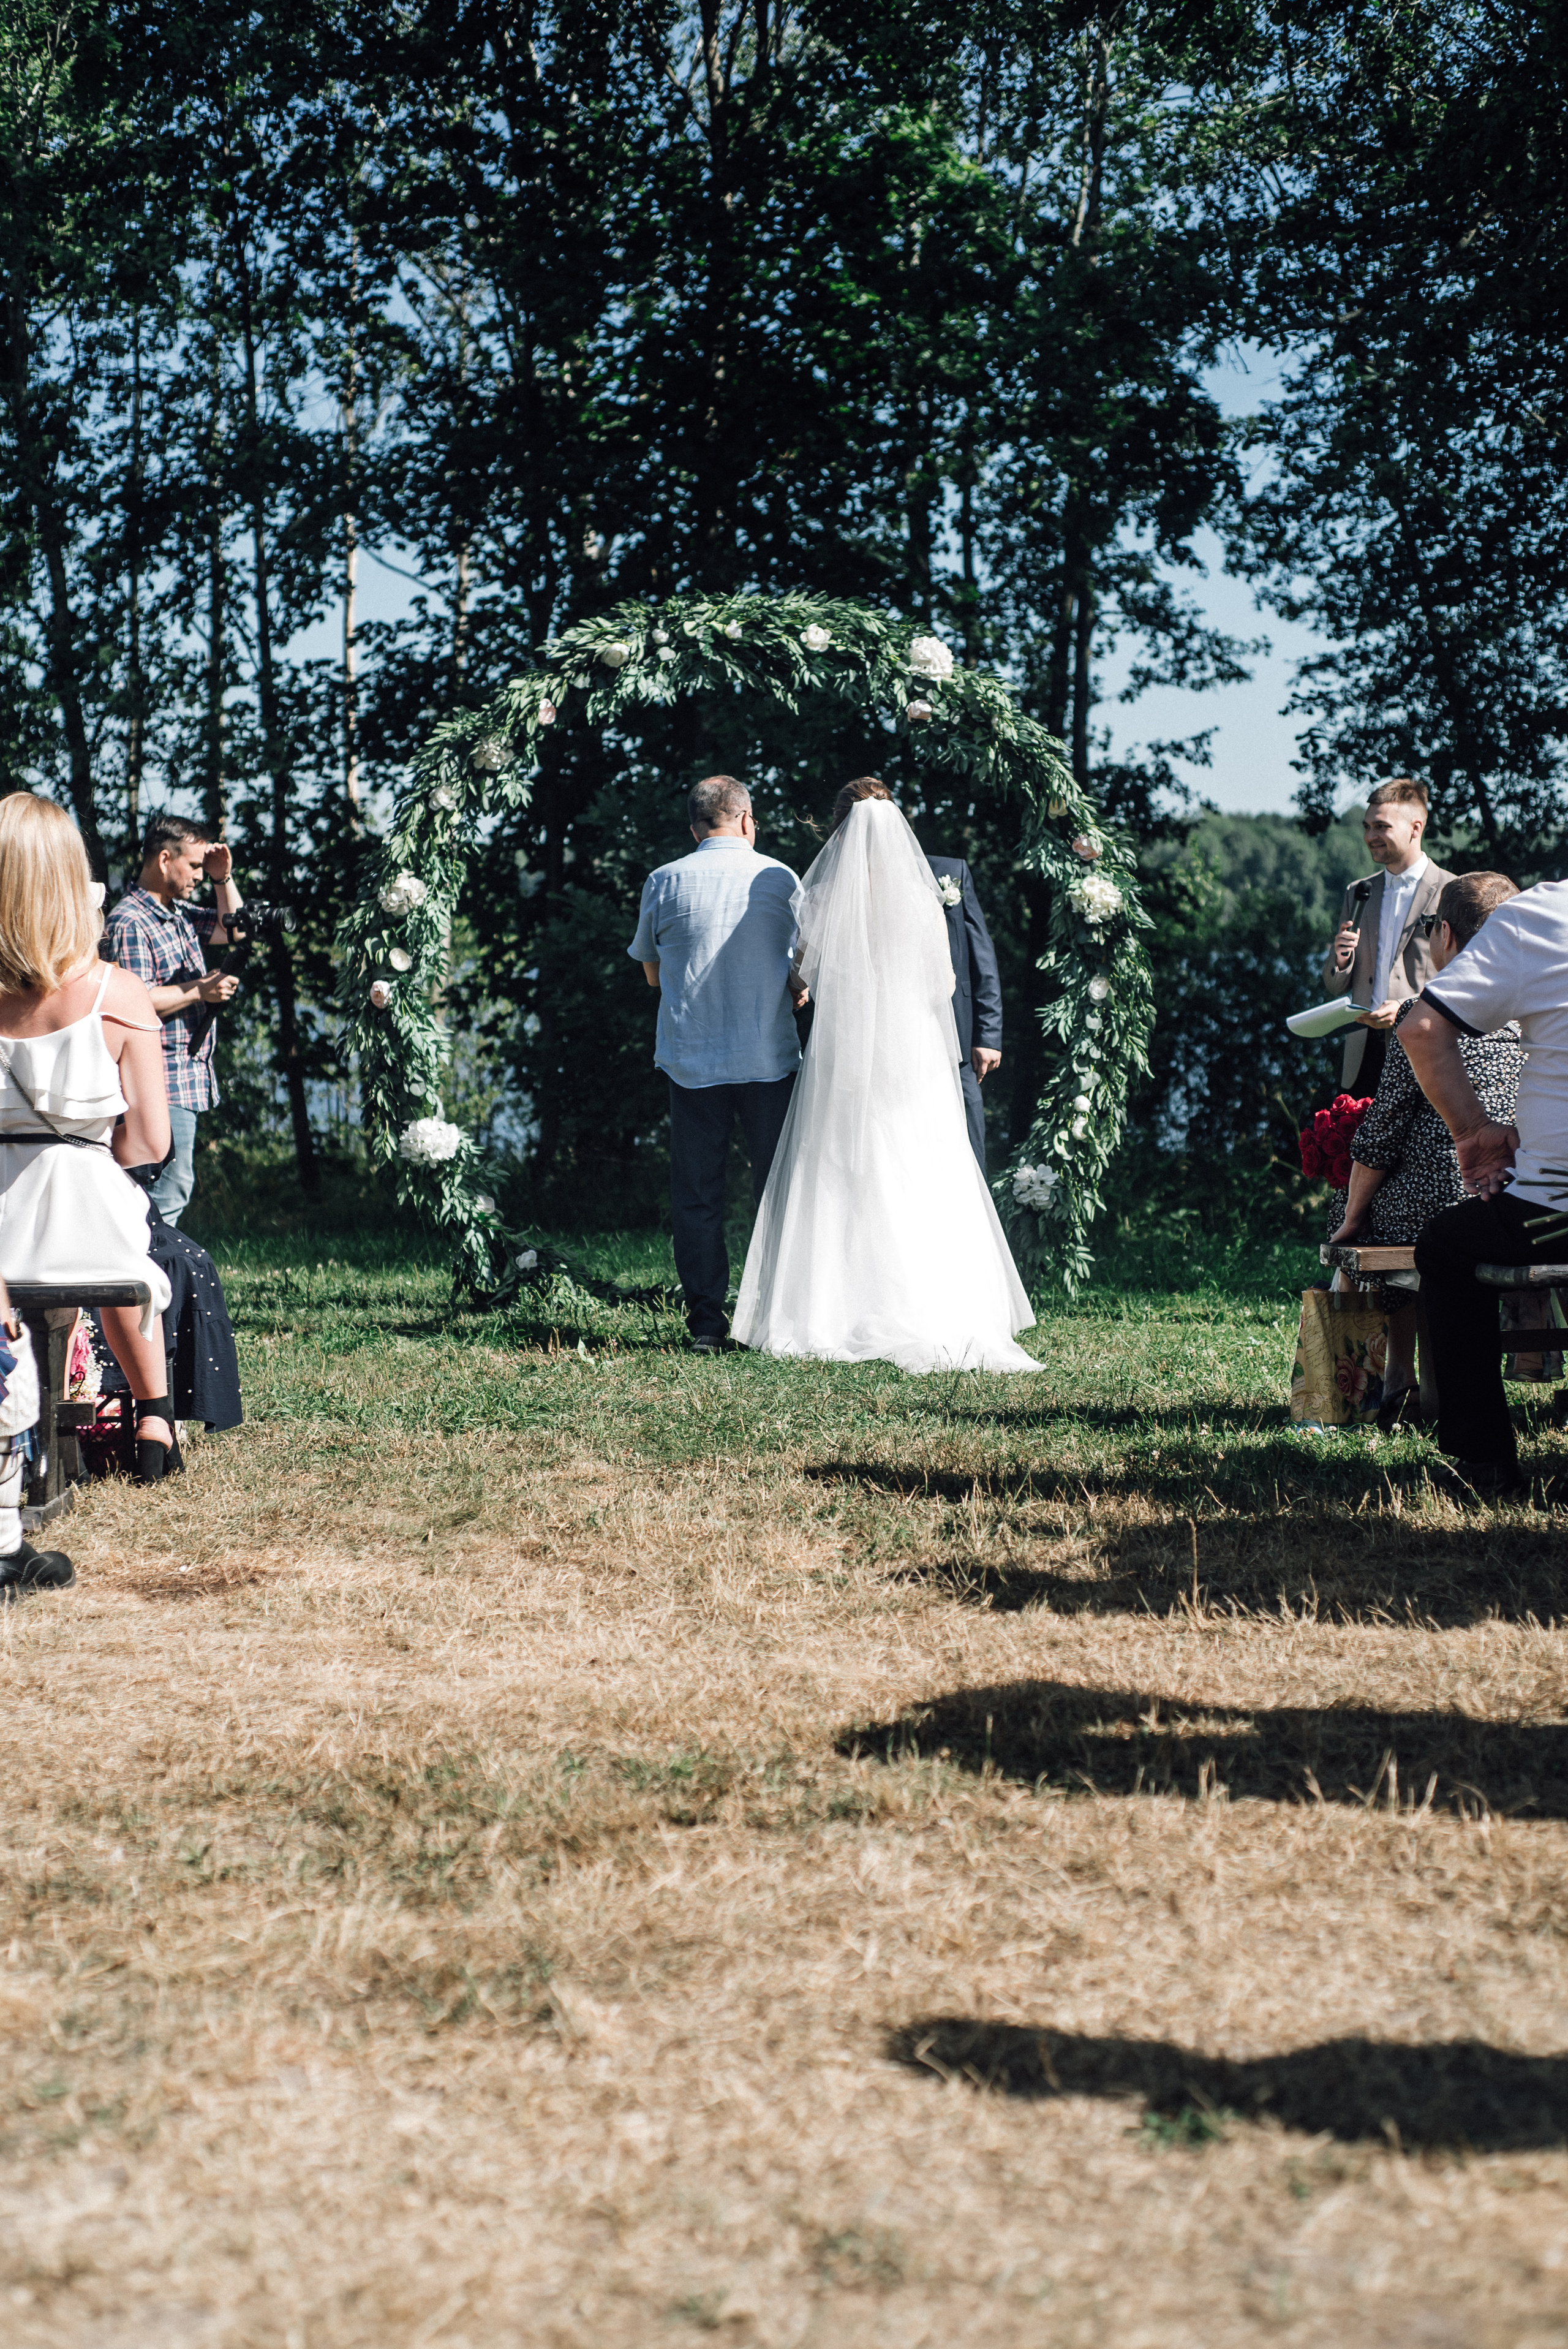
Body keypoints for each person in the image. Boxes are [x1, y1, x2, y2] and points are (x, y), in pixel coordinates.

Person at [731, 789, 1041, 1374]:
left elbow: (807, 973)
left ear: (841, 831)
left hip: (847, 1058)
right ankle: (935, 1302)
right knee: (917, 1168)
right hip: (913, 1060)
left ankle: (833, 1307)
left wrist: (807, 983)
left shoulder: (821, 895)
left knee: (842, 1168)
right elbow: (943, 983)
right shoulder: (922, 896)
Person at [0, 793, 180, 1483]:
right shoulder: (118, 992)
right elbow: (150, 1144)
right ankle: (154, 1421)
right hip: (87, 1226)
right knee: (125, 1245)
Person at [1327, 874, 1522, 1424]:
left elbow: (1379, 1137)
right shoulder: (1530, 1009)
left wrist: (1350, 1215)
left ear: (1445, 937)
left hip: (1450, 1199)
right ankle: (1404, 1379)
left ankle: (1391, 1381)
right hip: (1518, 1196)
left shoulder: (1425, 1013)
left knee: (1367, 1215)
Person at [1396, 874, 1568, 1497]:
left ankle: (1484, 1463)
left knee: (1447, 1246)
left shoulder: (1544, 915)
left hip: (1559, 1205)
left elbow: (1420, 1029)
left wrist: (1471, 1132)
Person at [628, 776, 802, 1352]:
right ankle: (773, 1317)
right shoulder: (780, 878)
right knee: (774, 1191)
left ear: (695, 827)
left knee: (697, 1195)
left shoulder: (665, 879)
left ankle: (707, 1322)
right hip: (768, 1058)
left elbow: (652, 974)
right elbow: (804, 966)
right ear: (748, 821)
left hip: (693, 1060)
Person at [104, 812, 243, 1227]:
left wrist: (223, 880)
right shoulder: (130, 921)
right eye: (196, 866)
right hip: (156, 1078)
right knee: (169, 1186)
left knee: (170, 1184)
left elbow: (233, 931)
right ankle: (143, 1275)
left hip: (183, 1075)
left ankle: (150, 1274)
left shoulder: (176, 912)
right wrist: (200, 989)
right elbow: (136, 1000)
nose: (199, 876)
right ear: (165, 860)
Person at [1323, 778, 1453, 1094]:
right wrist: (1340, 960)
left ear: (1415, 828)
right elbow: (1334, 984)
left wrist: (1407, 1008)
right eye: (1367, 827)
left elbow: (1464, 983)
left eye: (1381, 827)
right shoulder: (1358, 892)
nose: (1370, 837)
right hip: (1363, 1055)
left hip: (1425, 1051)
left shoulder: (1453, 892)